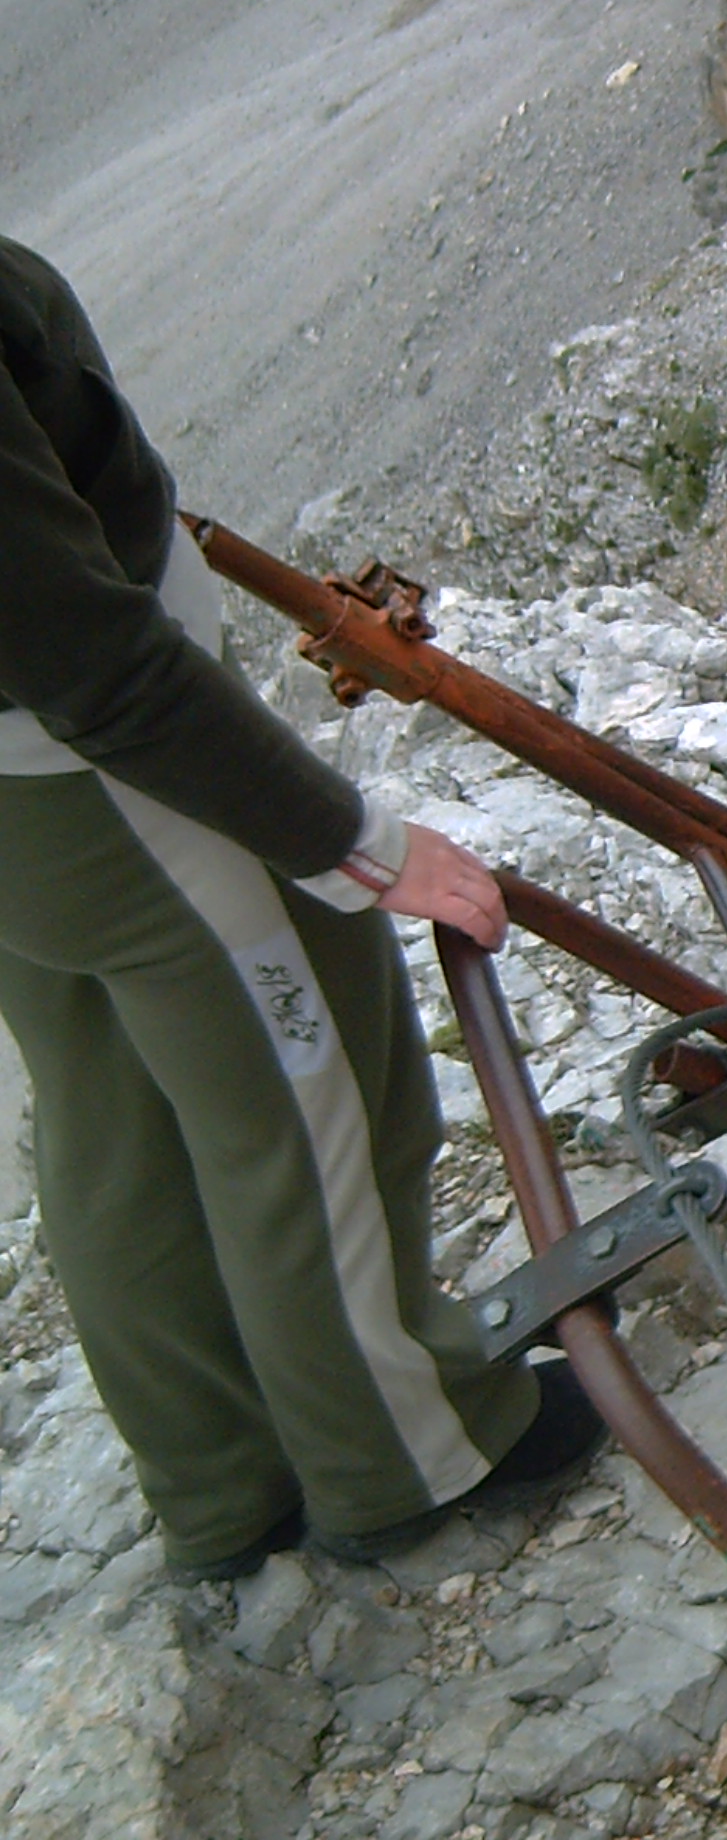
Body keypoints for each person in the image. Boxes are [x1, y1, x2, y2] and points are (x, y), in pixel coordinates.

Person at [0, 219, 606, 1574]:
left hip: (23, 805)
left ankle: (223, 1480)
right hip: (96, 774)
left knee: (118, 1111)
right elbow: (93, 668)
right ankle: (408, 1450)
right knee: (307, 1082)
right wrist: (359, 842)